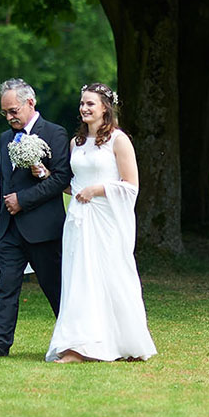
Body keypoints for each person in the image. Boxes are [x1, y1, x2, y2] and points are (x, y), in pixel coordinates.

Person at [45, 83, 156, 363]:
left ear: (105, 108)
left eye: (90, 104)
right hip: (79, 221)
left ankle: (123, 342)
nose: (84, 108)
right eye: (82, 103)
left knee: (112, 277)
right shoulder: (76, 143)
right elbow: (74, 186)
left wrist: (97, 189)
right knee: (79, 279)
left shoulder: (119, 141)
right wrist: (48, 175)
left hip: (107, 220)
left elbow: (131, 186)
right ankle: (79, 346)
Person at [0, 79, 72, 359]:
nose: (9, 117)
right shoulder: (5, 139)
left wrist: (22, 201)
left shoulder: (55, 133)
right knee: (6, 286)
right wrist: (6, 217)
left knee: (56, 289)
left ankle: (75, 341)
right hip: (10, 228)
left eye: (13, 111)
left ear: (30, 103)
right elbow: (7, 180)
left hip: (43, 228)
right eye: (5, 113)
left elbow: (62, 178)